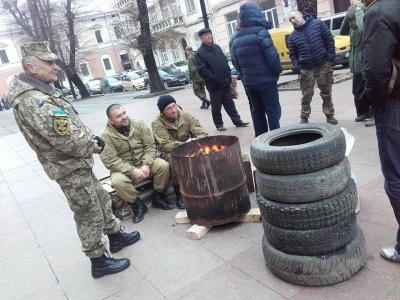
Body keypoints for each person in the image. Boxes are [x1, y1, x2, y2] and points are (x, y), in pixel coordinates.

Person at [7, 41, 139, 279]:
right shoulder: (35, 101)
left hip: (76, 164)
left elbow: (69, 124)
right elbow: (67, 140)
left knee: (100, 199)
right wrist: (93, 145)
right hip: (69, 168)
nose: (55, 66)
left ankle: (116, 236)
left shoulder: (41, 92)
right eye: (49, 63)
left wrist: (91, 136)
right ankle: (98, 261)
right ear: (31, 68)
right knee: (88, 214)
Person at [361, 0, 400, 263]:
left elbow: (375, 71)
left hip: (394, 103)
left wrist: (375, 101)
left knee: (395, 176)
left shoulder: (378, 12)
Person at [100, 103, 175, 222]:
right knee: (118, 182)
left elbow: (150, 146)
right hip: (123, 168)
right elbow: (110, 161)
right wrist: (132, 170)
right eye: (118, 116)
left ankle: (158, 196)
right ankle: (138, 204)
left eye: (124, 113)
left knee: (163, 166)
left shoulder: (138, 123)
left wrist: (146, 164)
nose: (124, 117)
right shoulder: (105, 136)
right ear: (111, 120)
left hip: (144, 162)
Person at [230, 2, 282, 137]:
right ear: (256, 14)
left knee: (257, 112)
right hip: (266, 80)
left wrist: (244, 76)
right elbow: (272, 56)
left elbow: (235, 62)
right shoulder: (261, 32)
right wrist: (276, 71)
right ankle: (276, 139)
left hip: (250, 83)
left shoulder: (235, 37)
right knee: (273, 112)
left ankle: (261, 141)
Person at [152, 95, 208, 209]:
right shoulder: (157, 123)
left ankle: (203, 183)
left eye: (174, 106)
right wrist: (183, 145)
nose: (173, 110)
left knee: (204, 150)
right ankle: (179, 191)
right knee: (174, 158)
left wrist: (194, 142)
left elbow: (202, 133)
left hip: (189, 145)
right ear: (162, 112)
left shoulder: (186, 115)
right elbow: (164, 145)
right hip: (169, 151)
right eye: (169, 108)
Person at [288, 11, 338, 125]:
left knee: (326, 92)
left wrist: (330, 58)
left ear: (301, 15)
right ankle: (304, 117)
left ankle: (330, 115)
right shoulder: (292, 36)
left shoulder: (318, 24)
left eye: (293, 17)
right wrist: (297, 67)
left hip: (323, 65)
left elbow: (329, 40)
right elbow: (292, 54)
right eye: (290, 20)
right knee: (306, 94)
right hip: (306, 68)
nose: (292, 21)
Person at [195, 28, 249, 131]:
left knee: (229, 103)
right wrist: (214, 78)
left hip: (225, 81)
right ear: (201, 39)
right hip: (214, 85)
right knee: (216, 105)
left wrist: (228, 73)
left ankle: (237, 121)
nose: (209, 36)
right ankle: (219, 124)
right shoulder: (200, 53)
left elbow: (224, 61)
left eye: (209, 34)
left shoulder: (216, 47)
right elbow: (202, 70)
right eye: (206, 35)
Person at [340, 5, 374, 127]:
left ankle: (375, 114)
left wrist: (359, 13)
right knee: (356, 91)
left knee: (370, 91)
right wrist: (347, 16)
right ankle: (364, 112)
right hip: (356, 65)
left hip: (365, 63)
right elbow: (342, 31)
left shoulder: (362, 24)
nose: (349, 24)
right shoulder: (352, 27)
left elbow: (364, 30)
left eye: (351, 21)